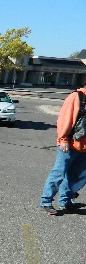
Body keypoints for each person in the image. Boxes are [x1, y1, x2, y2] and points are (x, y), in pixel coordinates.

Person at [39, 82, 86, 215]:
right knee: (58, 174)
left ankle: (66, 201)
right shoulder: (77, 97)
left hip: (84, 149)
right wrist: (63, 139)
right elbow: (65, 119)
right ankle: (46, 202)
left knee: (77, 177)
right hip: (70, 145)